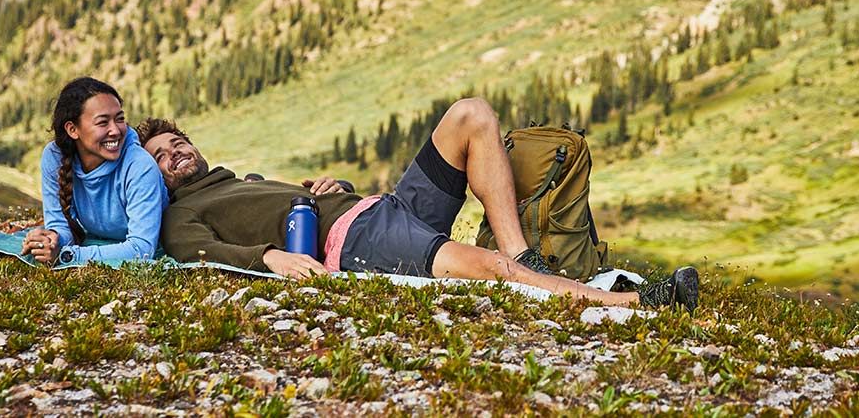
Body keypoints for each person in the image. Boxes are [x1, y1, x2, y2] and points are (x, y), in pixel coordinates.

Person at [136, 98, 698, 310]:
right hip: (359, 241)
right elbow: (197, 250)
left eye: (178, 142)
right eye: (160, 156)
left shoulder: (240, 179)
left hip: (382, 207)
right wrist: (271, 259)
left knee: (472, 115)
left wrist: (321, 190)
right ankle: (627, 306)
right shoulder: (177, 216)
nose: (176, 153)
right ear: (150, 179)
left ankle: (524, 258)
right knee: (484, 270)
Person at [21, 77, 169, 266]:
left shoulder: (140, 165)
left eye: (120, 119)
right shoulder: (54, 156)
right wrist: (51, 240)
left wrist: (68, 256)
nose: (115, 130)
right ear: (73, 129)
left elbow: (141, 249)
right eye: (103, 122)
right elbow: (59, 225)